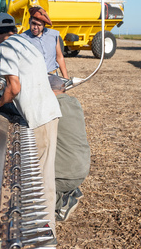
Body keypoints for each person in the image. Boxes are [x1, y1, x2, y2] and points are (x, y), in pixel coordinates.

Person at [0, 12, 61, 240]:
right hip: (48, 112)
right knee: (43, 174)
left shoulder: (7, 47)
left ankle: (44, 234)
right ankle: (44, 229)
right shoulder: (25, 41)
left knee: (41, 179)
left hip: (41, 117)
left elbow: (14, 87)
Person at [48, 75, 90, 222]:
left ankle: (63, 203)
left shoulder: (52, 107)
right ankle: (71, 190)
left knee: (31, 188)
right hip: (81, 168)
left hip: (68, 175)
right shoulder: (74, 102)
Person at [20, 6, 69, 79]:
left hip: (53, 76)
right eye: (33, 23)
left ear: (44, 24)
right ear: (29, 20)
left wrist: (66, 78)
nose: (35, 27)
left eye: (39, 25)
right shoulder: (22, 38)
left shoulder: (53, 35)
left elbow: (59, 57)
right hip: (34, 78)